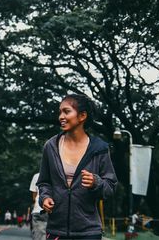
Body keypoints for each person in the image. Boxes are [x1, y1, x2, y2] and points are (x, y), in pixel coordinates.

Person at [37, 94, 117, 240]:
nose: (61, 116)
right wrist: (45, 197)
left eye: (66, 111)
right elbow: (44, 182)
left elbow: (110, 186)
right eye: (60, 112)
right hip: (56, 230)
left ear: (82, 116)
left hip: (88, 232)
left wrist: (96, 182)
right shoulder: (51, 146)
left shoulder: (99, 149)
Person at [29, 173, 47, 240]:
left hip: (39, 210)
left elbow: (34, 197)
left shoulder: (36, 176)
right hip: (55, 210)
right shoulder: (59, 175)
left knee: (39, 236)